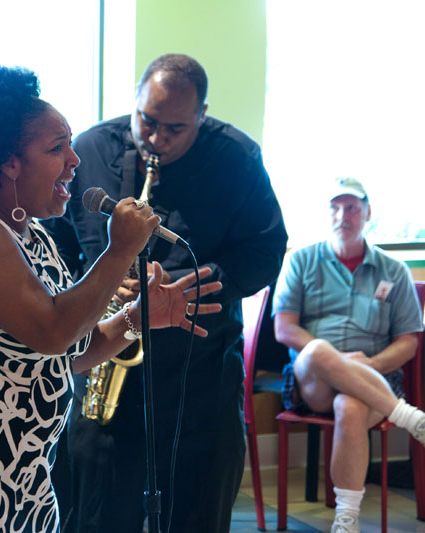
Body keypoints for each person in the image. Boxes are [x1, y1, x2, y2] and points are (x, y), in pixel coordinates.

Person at [0, 65, 224, 533]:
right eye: (56, 148)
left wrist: (138, 318)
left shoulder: (31, 234)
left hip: (22, 465)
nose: (75, 161)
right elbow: (52, 331)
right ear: (9, 163)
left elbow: (71, 352)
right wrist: (121, 249)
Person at [41, 53, 288, 532]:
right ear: (134, 101)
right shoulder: (89, 151)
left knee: (195, 511)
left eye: (175, 129)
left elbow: (265, 249)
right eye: (147, 121)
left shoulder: (237, 158)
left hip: (199, 375)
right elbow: (53, 249)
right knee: (94, 513)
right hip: (103, 375)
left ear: (203, 115)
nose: (156, 139)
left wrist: (197, 282)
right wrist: (103, 275)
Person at [272, 177, 425, 533]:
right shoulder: (301, 260)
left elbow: (408, 342)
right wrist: (341, 362)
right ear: (326, 213)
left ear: (367, 214)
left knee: (350, 404)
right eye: (335, 207)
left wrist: (371, 366)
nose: (342, 215)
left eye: (351, 207)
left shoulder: (393, 270)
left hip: (375, 378)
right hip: (311, 379)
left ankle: (346, 521)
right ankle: (415, 421)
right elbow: (284, 330)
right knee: (318, 349)